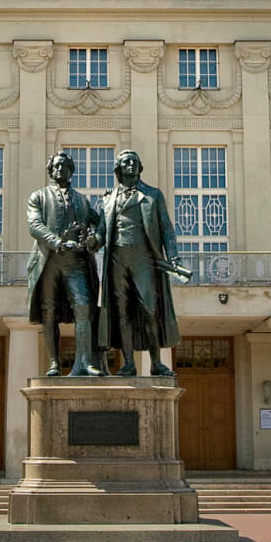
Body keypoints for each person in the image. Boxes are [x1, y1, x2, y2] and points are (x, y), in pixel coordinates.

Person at [98, 149, 187, 376]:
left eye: (134, 161)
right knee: (122, 313)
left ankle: (156, 362)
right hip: (117, 261)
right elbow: (100, 234)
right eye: (126, 162)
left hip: (143, 260)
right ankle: (128, 362)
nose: (131, 164)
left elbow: (166, 228)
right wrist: (91, 241)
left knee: (149, 310)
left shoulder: (153, 195)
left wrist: (173, 256)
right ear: (118, 169)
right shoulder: (108, 199)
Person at [25, 151, 103, 376]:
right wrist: (57, 242)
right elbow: (35, 226)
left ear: (71, 171)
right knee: (48, 311)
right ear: (50, 170)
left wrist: (94, 238)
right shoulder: (38, 196)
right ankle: (54, 363)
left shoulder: (81, 200)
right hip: (48, 261)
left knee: (83, 306)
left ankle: (86, 362)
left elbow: (99, 225)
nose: (60, 169)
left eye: (65, 166)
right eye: (56, 166)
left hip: (76, 262)